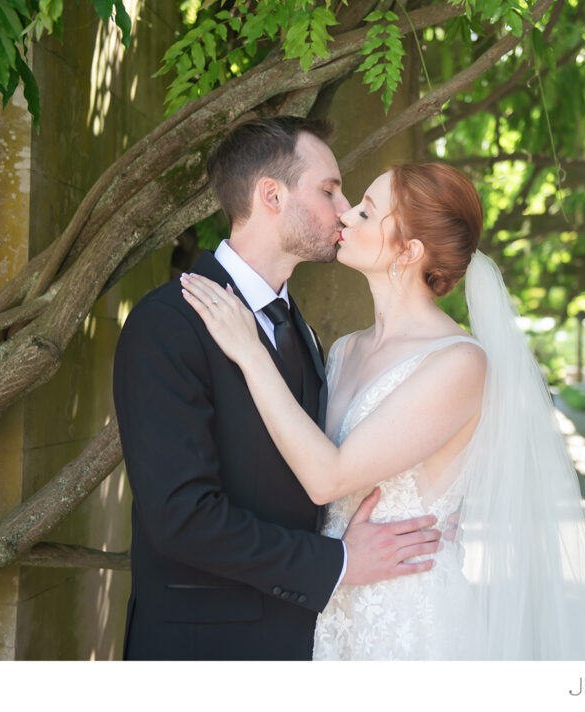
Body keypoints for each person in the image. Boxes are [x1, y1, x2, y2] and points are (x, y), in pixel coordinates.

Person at [180, 162, 585, 659]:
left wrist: (250, 352)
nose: (345, 215)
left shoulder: (459, 363)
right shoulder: (344, 350)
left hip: (409, 615)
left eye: (367, 212)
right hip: (330, 607)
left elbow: (329, 479)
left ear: (409, 251)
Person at [112, 116, 443, 661]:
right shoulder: (168, 322)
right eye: (329, 190)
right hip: (204, 648)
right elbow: (182, 519)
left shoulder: (302, 331)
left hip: (305, 641)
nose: (343, 211)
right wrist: (337, 563)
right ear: (272, 195)